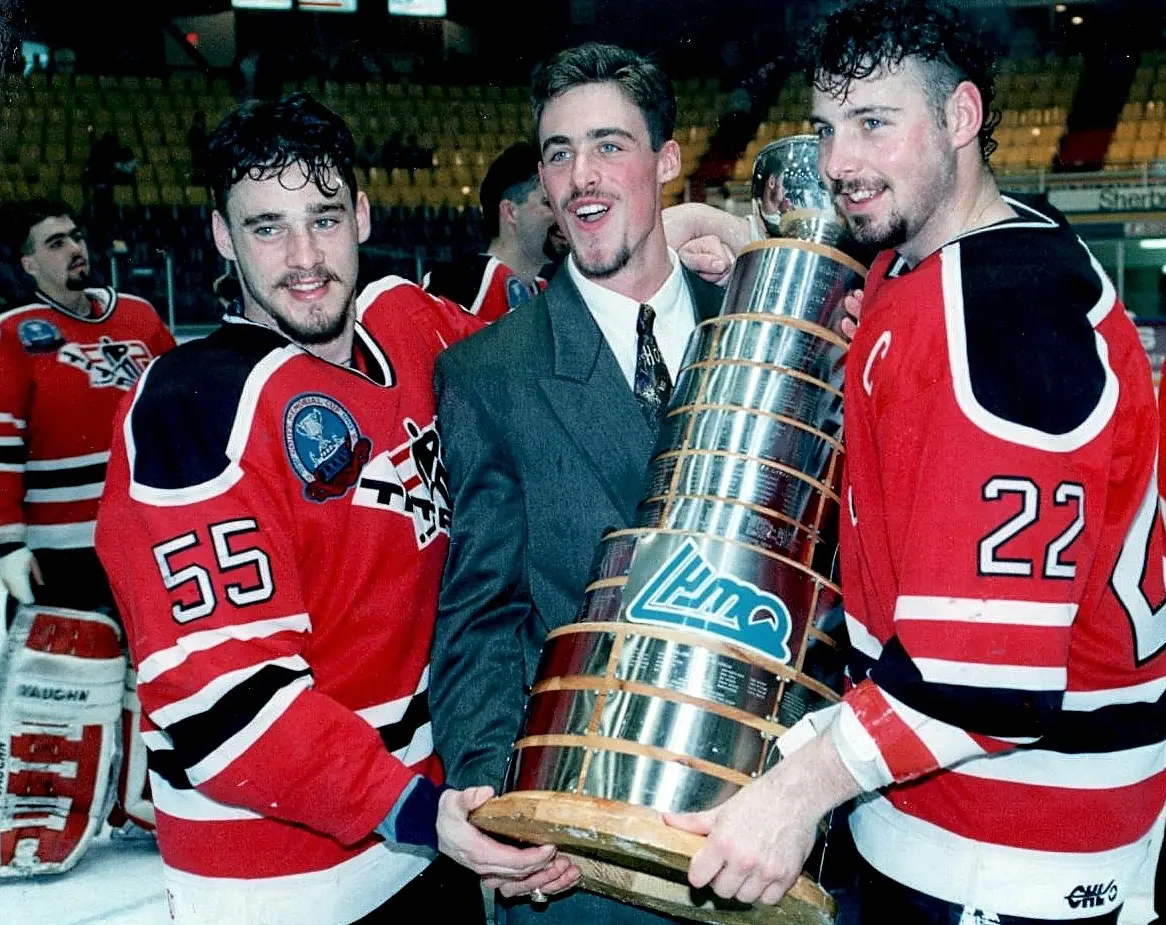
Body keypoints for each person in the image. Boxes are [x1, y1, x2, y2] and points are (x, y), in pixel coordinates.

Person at [657, 3, 1166, 924]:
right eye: (826, 126)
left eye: (875, 122)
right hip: (953, 808)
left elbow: (982, 678)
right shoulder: (935, 263)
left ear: (962, 118)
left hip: (1009, 845)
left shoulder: (1003, 315)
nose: (839, 159)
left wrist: (792, 795)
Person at [93, 92, 574, 925]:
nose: (305, 257)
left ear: (360, 213)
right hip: (287, 883)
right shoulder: (195, 405)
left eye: (322, 217)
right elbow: (224, 707)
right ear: (221, 237)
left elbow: (552, 357)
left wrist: (676, 249)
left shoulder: (409, 321)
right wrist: (422, 813)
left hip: (431, 830)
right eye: (267, 227)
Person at [430, 42, 726, 923]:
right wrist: (492, 795)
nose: (580, 175)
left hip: (757, 820)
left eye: (608, 145)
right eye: (558, 152)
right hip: (580, 841)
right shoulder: (489, 373)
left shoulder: (757, 327)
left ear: (666, 161)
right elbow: (480, 611)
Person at [0, 198, 176, 873]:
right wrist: (8, 542)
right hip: (58, 551)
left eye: (75, 236)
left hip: (140, 537)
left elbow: (177, 405)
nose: (73, 248)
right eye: (54, 242)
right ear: (28, 264)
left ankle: (140, 799)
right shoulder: (17, 332)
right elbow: (3, 441)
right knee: (61, 687)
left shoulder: (137, 316)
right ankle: (37, 818)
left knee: (149, 677)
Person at [423, 141, 556, 323]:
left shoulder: (546, 295)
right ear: (510, 212)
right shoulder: (460, 283)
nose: (563, 214)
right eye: (549, 203)